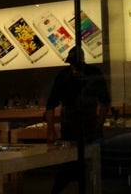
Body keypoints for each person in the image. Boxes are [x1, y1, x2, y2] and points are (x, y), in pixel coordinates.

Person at [45, 46, 111, 194]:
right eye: (72, 65)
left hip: (88, 126)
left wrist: (98, 125)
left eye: (75, 65)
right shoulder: (64, 76)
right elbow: (50, 105)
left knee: (85, 166)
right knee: (69, 164)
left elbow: (105, 102)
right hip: (69, 126)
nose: (73, 68)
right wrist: (50, 129)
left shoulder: (92, 74)